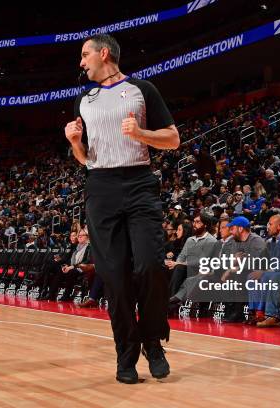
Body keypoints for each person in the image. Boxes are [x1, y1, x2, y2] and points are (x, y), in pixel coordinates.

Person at [64, 34, 179, 384]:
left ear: (104, 53)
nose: (81, 63)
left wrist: (141, 133)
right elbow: (86, 161)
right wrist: (74, 144)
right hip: (101, 188)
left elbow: (173, 139)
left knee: (150, 267)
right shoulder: (83, 100)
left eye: (85, 55)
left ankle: (153, 340)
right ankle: (125, 355)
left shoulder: (143, 89)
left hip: (140, 183)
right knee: (114, 278)